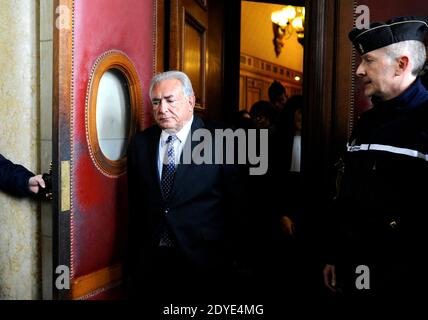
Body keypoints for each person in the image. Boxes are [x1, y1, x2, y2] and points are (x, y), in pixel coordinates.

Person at [323, 17, 428, 296]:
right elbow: (345, 195)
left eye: (368, 60)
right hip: (355, 271)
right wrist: (336, 255)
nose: (359, 70)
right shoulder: (366, 123)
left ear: (401, 64)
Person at [126, 71, 246, 301]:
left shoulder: (224, 139)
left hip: (205, 261)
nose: (162, 109)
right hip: (153, 261)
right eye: (156, 102)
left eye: (170, 100)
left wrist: (232, 257)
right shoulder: (141, 143)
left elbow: (238, 205)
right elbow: (136, 204)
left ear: (190, 101)